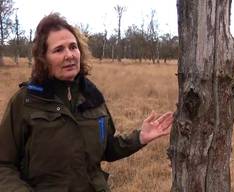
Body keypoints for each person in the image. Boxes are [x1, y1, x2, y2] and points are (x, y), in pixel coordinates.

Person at [0, 13, 173, 192]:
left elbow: (106, 148)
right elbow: (3, 165)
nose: (69, 55)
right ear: (43, 58)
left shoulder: (92, 97)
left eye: (73, 47)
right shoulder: (26, 101)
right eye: (59, 50)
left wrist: (139, 138)